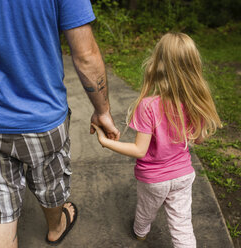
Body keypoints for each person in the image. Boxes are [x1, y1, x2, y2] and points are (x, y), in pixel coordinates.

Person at [0, 0, 120, 247]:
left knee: (1, 215)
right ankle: (56, 228)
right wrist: (102, 110)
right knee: (50, 184)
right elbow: (86, 54)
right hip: (42, 115)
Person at [92, 32, 222, 248]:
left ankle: (140, 233)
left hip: (154, 179)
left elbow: (139, 150)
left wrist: (105, 141)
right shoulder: (196, 102)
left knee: (145, 210)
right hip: (183, 175)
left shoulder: (149, 106)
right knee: (182, 225)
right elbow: (198, 140)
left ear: (159, 62)